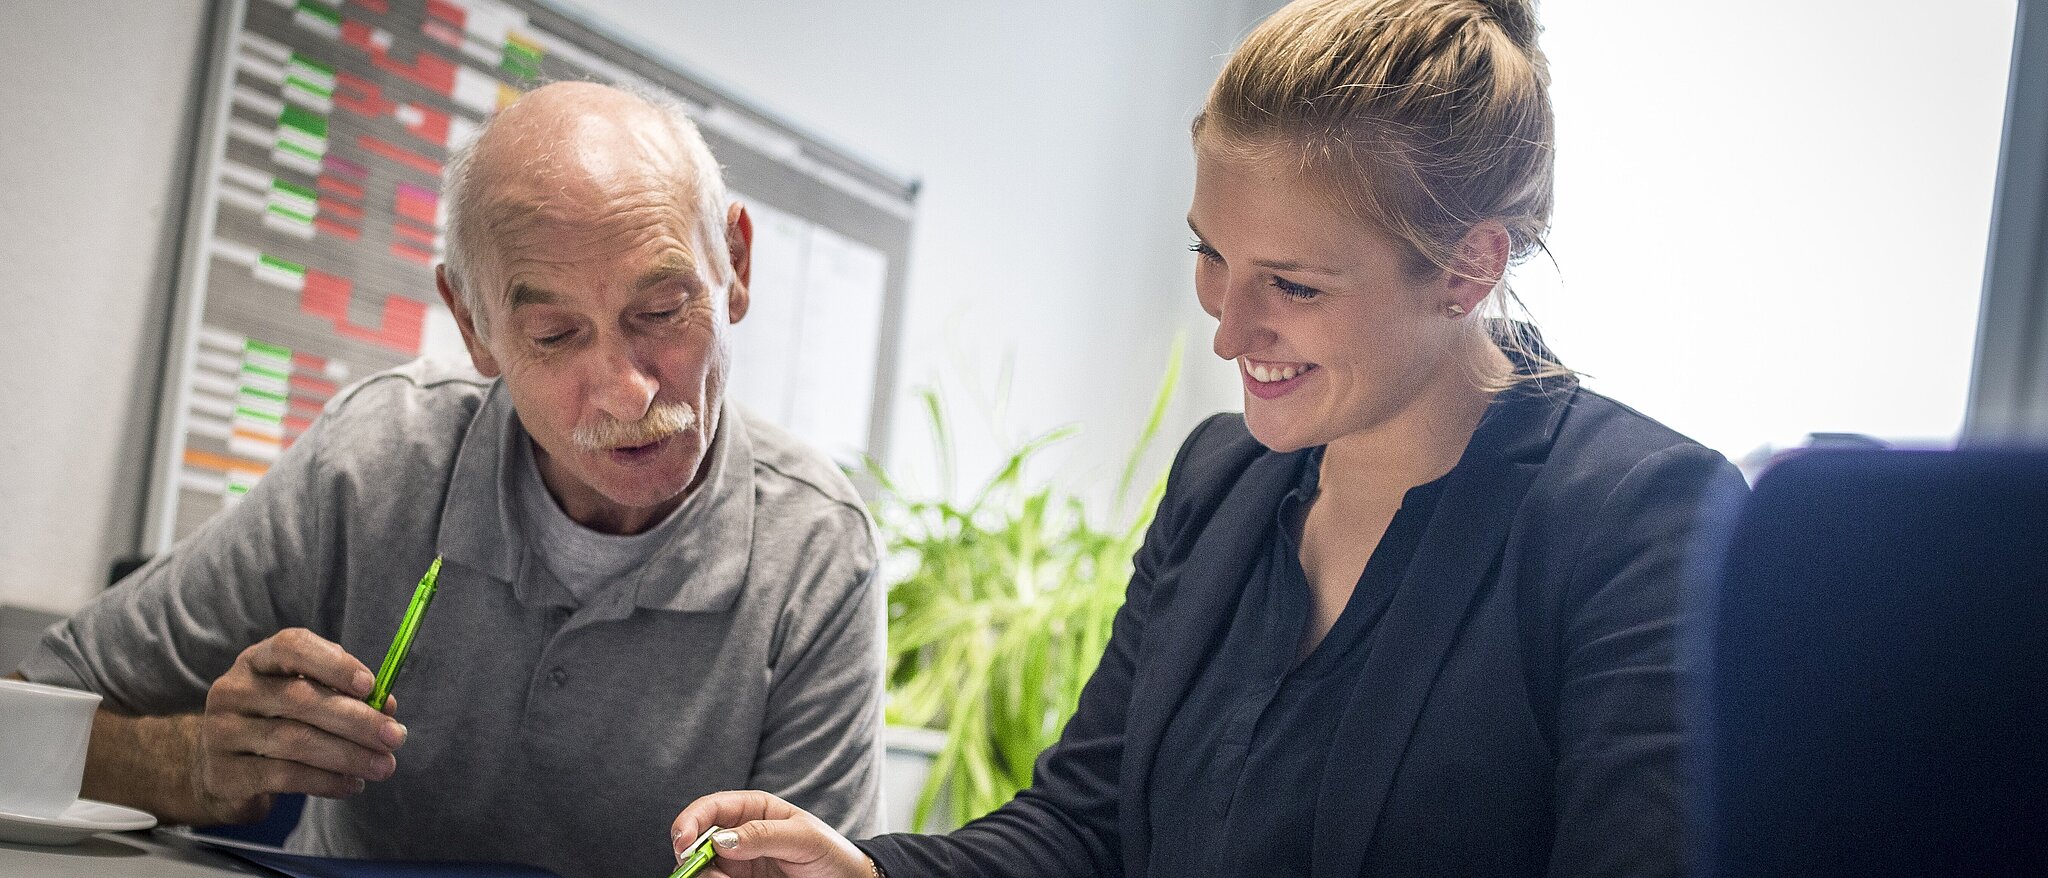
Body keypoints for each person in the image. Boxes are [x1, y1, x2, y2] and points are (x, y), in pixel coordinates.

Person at [667, 0, 1747, 875]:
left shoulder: (1640, 519)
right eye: (1209, 253)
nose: (1227, 326)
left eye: (1293, 282)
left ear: (1465, 268)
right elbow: (1082, 828)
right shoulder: (1221, 480)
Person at [10, 82, 883, 878]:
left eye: (661, 312)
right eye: (553, 336)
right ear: (473, 325)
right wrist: (194, 762)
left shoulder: (818, 554)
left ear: (734, 264)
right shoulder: (375, 463)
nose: (628, 390)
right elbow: (26, 722)